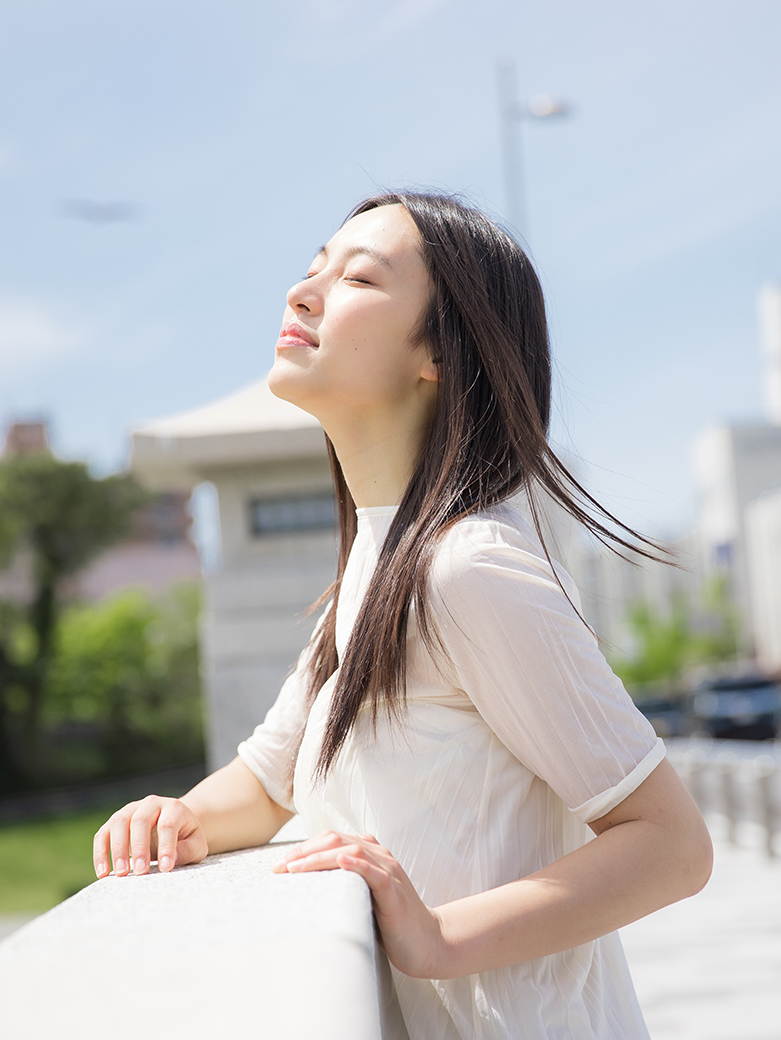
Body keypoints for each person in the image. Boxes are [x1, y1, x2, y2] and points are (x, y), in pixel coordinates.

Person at [93, 192, 713, 1038]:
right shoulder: (374, 573)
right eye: (312, 268)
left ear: (439, 354)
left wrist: (442, 936)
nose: (302, 293)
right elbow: (269, 781)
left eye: (356, 277)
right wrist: (176, 818)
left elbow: (672, 846)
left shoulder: (468, 570)